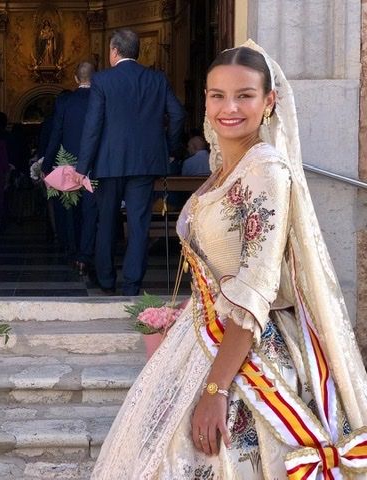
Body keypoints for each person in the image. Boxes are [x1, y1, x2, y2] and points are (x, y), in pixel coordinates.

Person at [91, 41, 367, 479]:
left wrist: (216, 390)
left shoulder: (266, 170)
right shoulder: (227, 166)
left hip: (245, 350)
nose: (229, 107)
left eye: (245, 95)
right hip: (203, 338)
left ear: (269, 101)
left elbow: (255, 288)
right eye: (217, 95)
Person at [76, 29, 185, 295]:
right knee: (139, 225)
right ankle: (132, 284)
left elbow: (93, 126)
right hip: (145, 164)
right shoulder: (157, 79)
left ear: (114, 51)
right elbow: (178, 115)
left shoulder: (102, 81)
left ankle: (106, 280)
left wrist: (82, 168)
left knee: (106, 222)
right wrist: (169, 150)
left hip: (109, 164)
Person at [43, 61, 98, 274]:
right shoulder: (100, 99)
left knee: (71, 211)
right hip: (95, 165)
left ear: (76, 78)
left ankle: (73, 252)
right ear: (95, 78)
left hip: (70, 165)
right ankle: (86, 255)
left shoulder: (65, 103)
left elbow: (56, 134)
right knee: (91, 212)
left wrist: (47, 165)